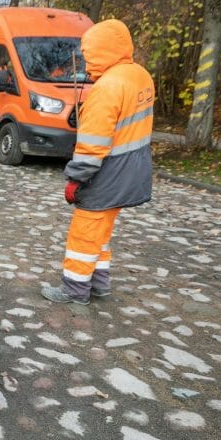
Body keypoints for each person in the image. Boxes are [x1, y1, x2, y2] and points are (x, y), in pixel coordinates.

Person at [42, 19, 155, 305]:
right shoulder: (139, 76)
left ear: (103, 51)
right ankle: (99, 284)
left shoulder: (107, 88)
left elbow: (93, 142)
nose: (86, 62)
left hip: (107, 174)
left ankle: (75, 289)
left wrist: (76, 179)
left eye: (89, 55)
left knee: (84, 234)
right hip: (132, 171)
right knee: (101, 233)